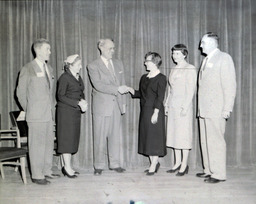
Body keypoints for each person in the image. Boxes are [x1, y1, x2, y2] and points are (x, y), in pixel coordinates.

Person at [17, 38, 60, 185]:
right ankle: (36, 175)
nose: (50, 52)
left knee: (48, 144)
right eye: (47, 49)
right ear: (39, 50)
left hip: (48, 114)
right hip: (35, 115)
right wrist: (30, 110)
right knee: (36, 145)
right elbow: (20, 93)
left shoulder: (50, 68)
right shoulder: (28, 68)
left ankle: (46, 171)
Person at [197, 32, 236, 183]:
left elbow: (230, 85)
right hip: (204, 109)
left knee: (216, 141)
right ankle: (208, 169)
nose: (200, 46)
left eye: (203, 43)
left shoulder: (224, 58)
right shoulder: (207, 59)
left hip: (217, 109)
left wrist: (227, 108)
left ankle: (219, 174)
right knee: (205, 140)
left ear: (213, 43)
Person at [87, 38, 127, 175]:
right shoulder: (93, 65)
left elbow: (123, 82)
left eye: (113, 48)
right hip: (102, 107)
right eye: (110, 48)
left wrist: (123, 104)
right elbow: (98, 85)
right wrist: (117, 89)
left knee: (115, 136)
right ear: (101, 48)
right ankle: (98, 165)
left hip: (116, 105)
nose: (113, 51)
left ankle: (114, 164)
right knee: (99, 137)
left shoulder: (118, 63)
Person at [127, 52, 167, 176]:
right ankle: (154, 163)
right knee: (148, 138)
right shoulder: (144, 77)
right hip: (145, 111)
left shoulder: (161, 78)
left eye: (147, 61)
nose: (145, 63)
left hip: (155, 111)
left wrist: (156, 113)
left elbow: (160, 98)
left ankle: (153, 164)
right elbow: (141, 94)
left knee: (154, 138)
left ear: (155, 62)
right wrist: (130, 90)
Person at [165, 44, 197, 176]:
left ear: (184, 54)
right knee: (174, 135)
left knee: (183, 135)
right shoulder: (173, 68)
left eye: (177, 54)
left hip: (183, 106)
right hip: (173, 105)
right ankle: (177, 163)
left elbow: (191, 90)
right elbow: (170, 89)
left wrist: (185, 106)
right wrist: (166, 104)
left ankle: (184, 164)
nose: (174, 56)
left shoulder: (190, 68)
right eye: (173, 53)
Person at [56, 54, 87, 178]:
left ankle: (68, 166)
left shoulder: (78, 77)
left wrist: (83, 101)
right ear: (70, 65)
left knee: (72, 139)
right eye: (78, 65)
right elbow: (60, 96)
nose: (80, 67)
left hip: (75, 112)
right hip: (65, 113)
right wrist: (77, 103)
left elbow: (80, 92)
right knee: (66, 140)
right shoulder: (64, 77)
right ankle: (67, 168)